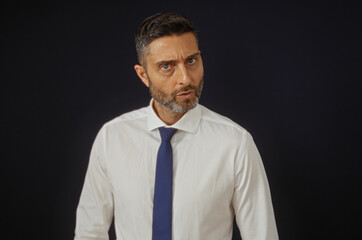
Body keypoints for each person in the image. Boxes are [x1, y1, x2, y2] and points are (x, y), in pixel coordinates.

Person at [74, 12, 279, 240]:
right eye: (167, 66)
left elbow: (262, 235)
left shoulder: (235, 143)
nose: (185, 78)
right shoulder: (112, 138)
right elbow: (89, 232)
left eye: (191, 61)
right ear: (143, 75)